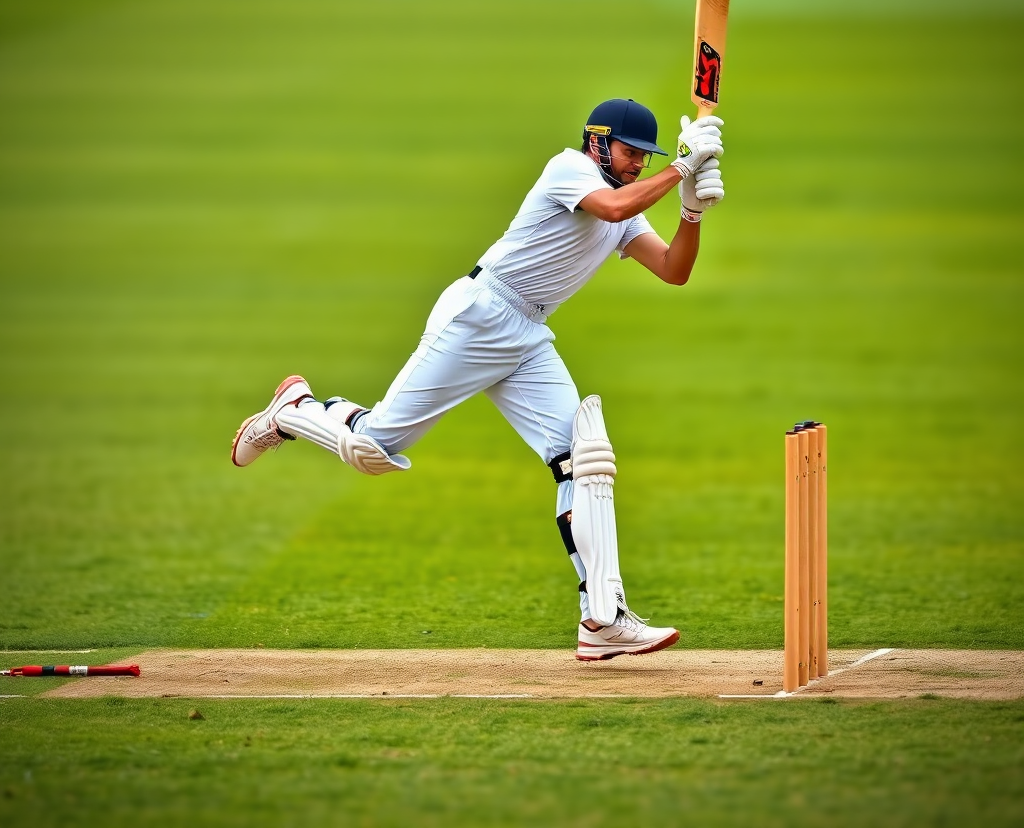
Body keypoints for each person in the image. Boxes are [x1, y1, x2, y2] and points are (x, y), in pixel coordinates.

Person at [231, 98, 725, 660]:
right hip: (479, 316)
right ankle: (294, 410)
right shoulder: (570, 169)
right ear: (597, 142)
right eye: (630, 151)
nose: (637, 162)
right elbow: (611, 209)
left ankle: (602, 618)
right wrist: (681, 167)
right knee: (373, 449)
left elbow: (674, 270)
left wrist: (691, 211)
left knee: (583, 457)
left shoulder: (629, 205)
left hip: (529, 334)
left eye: (645, 156)